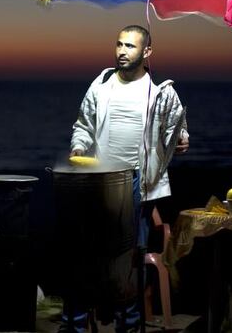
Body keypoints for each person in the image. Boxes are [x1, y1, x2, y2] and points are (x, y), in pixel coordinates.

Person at [62, 25, 189, 333]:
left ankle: (128, 327)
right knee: (83, 259)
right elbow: (83, 124)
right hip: (99, 185)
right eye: (119, 44)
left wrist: (183, 140)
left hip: (139, 190)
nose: (121, 51)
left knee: (131, 264)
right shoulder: (101, 85)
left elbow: (178, 133)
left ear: (147, 52)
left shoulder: (161, 94)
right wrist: (79, 145)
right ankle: (73, 326)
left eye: (130, 46)